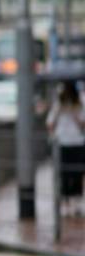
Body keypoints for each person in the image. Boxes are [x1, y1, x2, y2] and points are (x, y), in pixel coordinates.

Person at [47, 80, 85, 216]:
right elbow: (50, 123)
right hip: (63, 142)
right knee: (64, 174)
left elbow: (83, 124)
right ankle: (66, 202)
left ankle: (76, 202)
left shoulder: (80, 105)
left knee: (77, 173)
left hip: (77, 142)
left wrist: (74, 113)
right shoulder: (58, 105)